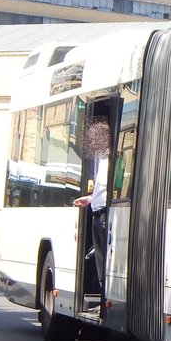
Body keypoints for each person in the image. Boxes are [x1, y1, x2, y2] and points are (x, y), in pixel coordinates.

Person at [73, 120, 110, 307]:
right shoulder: (102, 160)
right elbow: (102, 190)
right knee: (99, 259)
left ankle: (104, 297)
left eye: (95, 139)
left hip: (105, 216)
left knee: (104, 260)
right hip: (97, 213)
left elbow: (113, 189)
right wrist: (89, 199)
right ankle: (103, 294)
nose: (93, 143)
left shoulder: (112, 160)